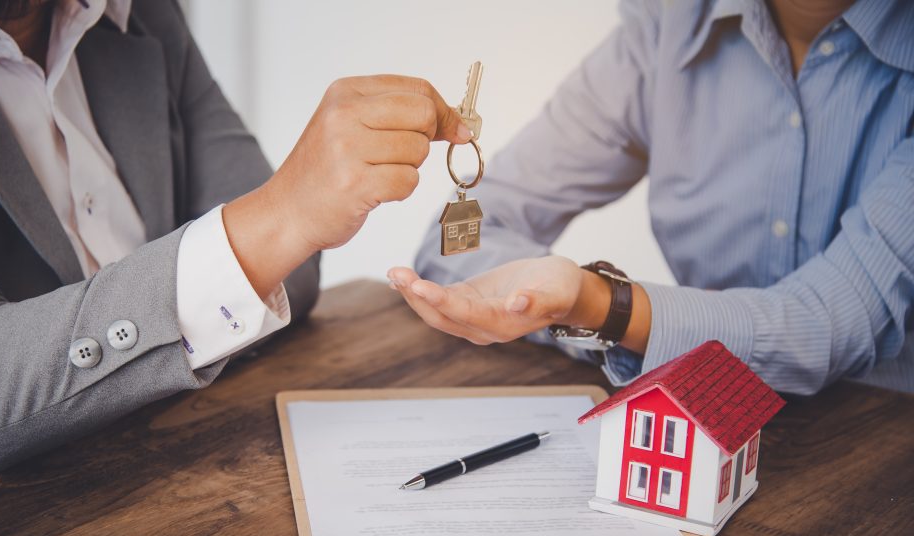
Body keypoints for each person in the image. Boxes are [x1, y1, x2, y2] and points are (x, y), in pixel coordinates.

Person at [0, 0, 473, 471]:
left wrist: (285, 222)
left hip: (211, 463)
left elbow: (298, 269)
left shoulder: (145, 14)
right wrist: (285, 216)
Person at [391, 0, 913, 395]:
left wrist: (600, 306)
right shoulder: (667, 25)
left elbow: (824, 329)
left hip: (883, 436)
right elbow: (460, 244)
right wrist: (554, 308)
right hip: (696, 410)